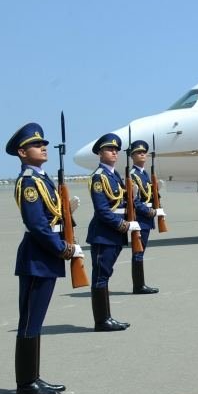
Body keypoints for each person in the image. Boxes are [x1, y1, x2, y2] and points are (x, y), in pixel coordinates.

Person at [6, 122, 83, 394]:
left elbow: (50, 216)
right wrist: (63, 249)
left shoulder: (43, 179)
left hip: (45, 256)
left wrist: (66, 213)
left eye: (43, 144)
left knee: (35, 320)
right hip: (37, 257)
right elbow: (37, 225)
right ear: (22, 152)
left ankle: (33, 378)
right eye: (36, 145)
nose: (43, 147)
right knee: (30, 321)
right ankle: (26, 384)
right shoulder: (29, 182)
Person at [86, 133, 134, 332]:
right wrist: (124, 225)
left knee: (105, 275)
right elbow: (102, 210)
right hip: (104, 234)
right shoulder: (99, 177)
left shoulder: (114, 175)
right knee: (101, 277)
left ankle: (107, 318)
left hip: (114, 233)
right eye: (109, 149)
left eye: (116, 150)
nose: (114, 152)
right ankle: (102, 320)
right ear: (100, 153)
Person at [127, 140, 163, 294]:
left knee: (140, 251)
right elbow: (134, 201)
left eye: (144, 152)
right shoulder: (132, 175)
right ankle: (138, 285)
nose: (142, 155)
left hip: (146, 218)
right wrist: (150, 212)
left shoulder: (144, 174)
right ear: (132, 156)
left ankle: (140, 284)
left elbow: (149, 195)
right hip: (141, 218)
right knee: (138, 251)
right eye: (138, 153)